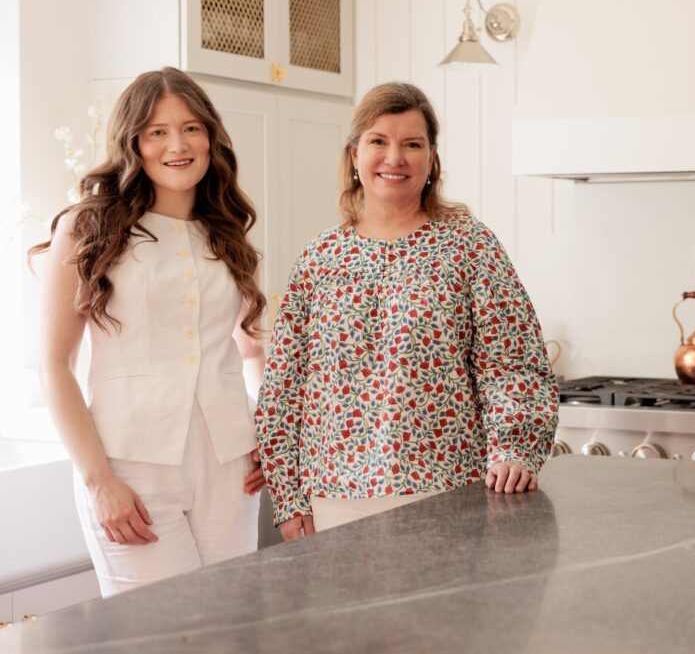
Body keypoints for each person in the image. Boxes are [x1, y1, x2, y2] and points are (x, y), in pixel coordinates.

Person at [255, 81, 559, 541]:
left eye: (412, 144)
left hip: (448, 493)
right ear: (355, 155)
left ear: (432, 159)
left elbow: (512, 362)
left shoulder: (469, 245)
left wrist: (514, 448)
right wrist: (288, 496)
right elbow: (285, 386)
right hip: (332, 500)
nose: (394, 158)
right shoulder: (321, 255)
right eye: (379, 141)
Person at [30, 67, 267, 596]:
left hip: (231, 466)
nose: (177, 145)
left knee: (226, 629)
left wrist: (266, 427)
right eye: (157, 131)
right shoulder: (86, 228)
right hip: (130, 467)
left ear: (211, 136)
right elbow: (54, 365)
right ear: (132, 141)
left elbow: (251, 348)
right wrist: (100, 482)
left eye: (191, 128)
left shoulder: (226, 230)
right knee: (160, 634)